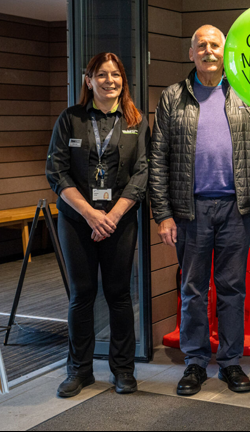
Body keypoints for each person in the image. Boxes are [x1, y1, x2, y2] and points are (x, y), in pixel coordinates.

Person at [150, 25, 250, 396]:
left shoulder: (245, 94)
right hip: (188, 209)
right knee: (193, 289)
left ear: (226, 53)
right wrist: (162, 213)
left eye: (215, 45)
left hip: (234, 209)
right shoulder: (172, 97)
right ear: (191, 53)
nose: (209, 51)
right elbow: (157, 158)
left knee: (232, 288)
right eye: (202, 45)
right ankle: (195, 363)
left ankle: (230, 362)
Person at [46, 52, 149, 398]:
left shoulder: (137, 121)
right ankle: (79, 370)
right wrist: (91, 213)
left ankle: (123, 370)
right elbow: (56, 171)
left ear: (124, 80)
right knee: (82, 296)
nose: (109, 81)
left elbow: (142, 173)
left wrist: (113, 216)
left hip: (120, 220)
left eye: (115, 75)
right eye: (101, 75)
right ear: (88, 81)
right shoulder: (70, 119)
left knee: (119, 295)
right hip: (77, 221)